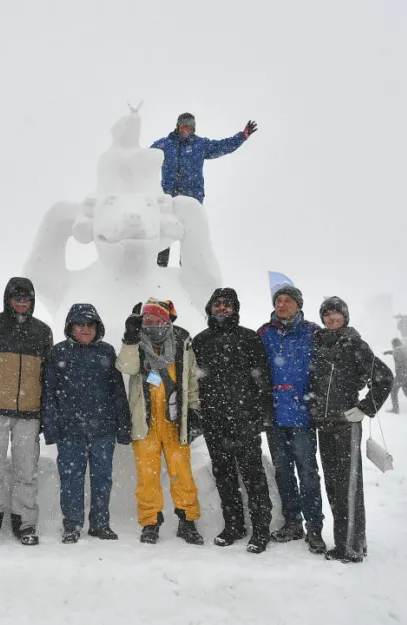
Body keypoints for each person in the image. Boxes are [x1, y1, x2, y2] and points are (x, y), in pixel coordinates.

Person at [0, 277, 53, 546]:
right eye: (17, 297)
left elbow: (48, 374)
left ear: (33, 300)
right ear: (8, 298)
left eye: (27, 298)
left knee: (26, 470)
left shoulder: (42, 332)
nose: (22, 302)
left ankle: (24, 522)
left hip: (30, 413)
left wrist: (47, 409)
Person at [307, 297, 393, 563]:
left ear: (345, 318)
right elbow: (313, 383)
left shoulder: (355, 345)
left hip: (346, 425)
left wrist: (365, 407)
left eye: (337, 316)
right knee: (333, 486)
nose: (333, 321)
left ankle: (351, 547)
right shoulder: (318, 345)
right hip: (325, 425)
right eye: (328, 316)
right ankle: (350, 540)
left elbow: (384, 377)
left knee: (348, 487)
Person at [192, 288, 274, 554]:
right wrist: (199, 414)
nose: (223, 308)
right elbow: (194, 381)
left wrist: (261, 415)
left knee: (253, 477)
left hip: (245, 420)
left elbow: (263, 379)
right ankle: (234, 525)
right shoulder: (201, 340)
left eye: (228, 304)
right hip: (215, 421)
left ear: (235, 309)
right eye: (218, 304)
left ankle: (261, 530)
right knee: (224, 476)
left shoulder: (249, 338)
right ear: (210, 308)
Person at [117, 298, 204, 545]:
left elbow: (191, 381)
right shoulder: (136, 342)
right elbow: (126, 366)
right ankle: (150, 522)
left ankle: (187, 520)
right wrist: (130, 337)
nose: (152, 324)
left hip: (176, 422)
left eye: (157, 319)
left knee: (182, 474)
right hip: (145, 422)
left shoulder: (182, 344)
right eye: (147, 319)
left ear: (167, 321)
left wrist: (194, 409)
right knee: (147, 477)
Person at [42, 303, 130, 544]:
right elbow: (48, 393)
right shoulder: (58, 353)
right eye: (80, 324)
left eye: (90, 324)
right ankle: (71, 526)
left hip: (103, 429)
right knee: (71, 479)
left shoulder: (106, 352)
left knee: (102, 478)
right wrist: (50, 427)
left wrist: (123, 426)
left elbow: (117, 392)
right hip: (70, 430)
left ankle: (100, 524)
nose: (85, 329)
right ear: (70, 326)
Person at [257, 285, 327, 555]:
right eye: (278, 300)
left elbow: (324, 372)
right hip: (274, 417)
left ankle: (315, 528)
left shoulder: (312, 333)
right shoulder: (265, 333)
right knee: (283, 472)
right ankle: (292, 523)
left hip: (303, 417)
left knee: (308, 473)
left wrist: (317, 404)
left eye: (287, 300)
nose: (282, 304)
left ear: (298, 305)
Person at [150, 113, 257, 267]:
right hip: (168, 199)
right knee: (165, 232)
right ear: (177, 126)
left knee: (188, 237)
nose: (185, 129)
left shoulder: (200, 145)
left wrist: (242, 136)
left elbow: (222, 146)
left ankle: (186, 272)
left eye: (188, 126)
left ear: (193, 128)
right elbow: (146, 157)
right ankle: (160, 270)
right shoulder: (165, 144)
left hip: (192, 199)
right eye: (182, 125)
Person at [383, 338, 407, 413]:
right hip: (406, 374)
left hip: (400, 375)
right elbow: (396, 352)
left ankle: (395, 409)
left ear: (394, 344)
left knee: (393, 391)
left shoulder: (397, 351)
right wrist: (388, 352)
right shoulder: (403, 349)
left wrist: (397, 360)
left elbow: (398, 356)